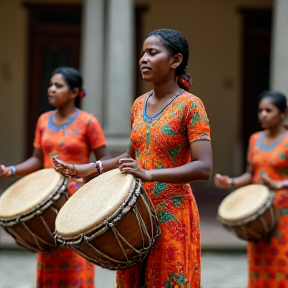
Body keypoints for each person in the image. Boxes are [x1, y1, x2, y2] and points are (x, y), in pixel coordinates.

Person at [53, 29, 212, 288]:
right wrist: (88, 168)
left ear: (175, 60)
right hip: (134, 211)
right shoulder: (138, 104)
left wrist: (149, 174)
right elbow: (131, 156)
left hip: (172, 212)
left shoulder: (191, 106)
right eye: (142, 53)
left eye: (152, 52)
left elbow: (203, 167)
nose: (143, 59)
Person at [0, 66, 110, 287]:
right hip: (47, 199)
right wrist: (10, 170)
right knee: (50, 250)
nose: (51, 89)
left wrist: (87, 186)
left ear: (74, 92)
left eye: (58, 86)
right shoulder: (43, 120)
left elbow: (103, 162)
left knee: (76, 253)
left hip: (76, 200)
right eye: (50, 85)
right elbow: (36, 160)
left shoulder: (88, 122)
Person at [214, 90, 288, 288]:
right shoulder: (255, 139)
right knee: (258, 262)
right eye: (260, 110)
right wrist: (230, 182)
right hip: (259, 212)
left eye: (268, 110)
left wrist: (279, 185)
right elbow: (251, 173)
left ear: (283, 113)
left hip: (283, 213)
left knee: (282, 263)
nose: (262, 115)